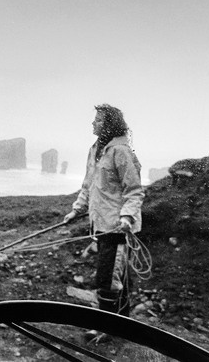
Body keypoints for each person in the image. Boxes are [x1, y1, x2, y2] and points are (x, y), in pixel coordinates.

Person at [63, 104, 144, 342]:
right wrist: (76, 210)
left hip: (118, 228)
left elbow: (135, 190)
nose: (93, 124)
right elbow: (88, 184)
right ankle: (122, 326)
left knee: (108, 279)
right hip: (102, 224)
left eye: (97, 120)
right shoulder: (96, 149)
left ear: (109, 125)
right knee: (118, 276)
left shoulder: (121, 152)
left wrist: (127, 217)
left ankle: (105, 329)